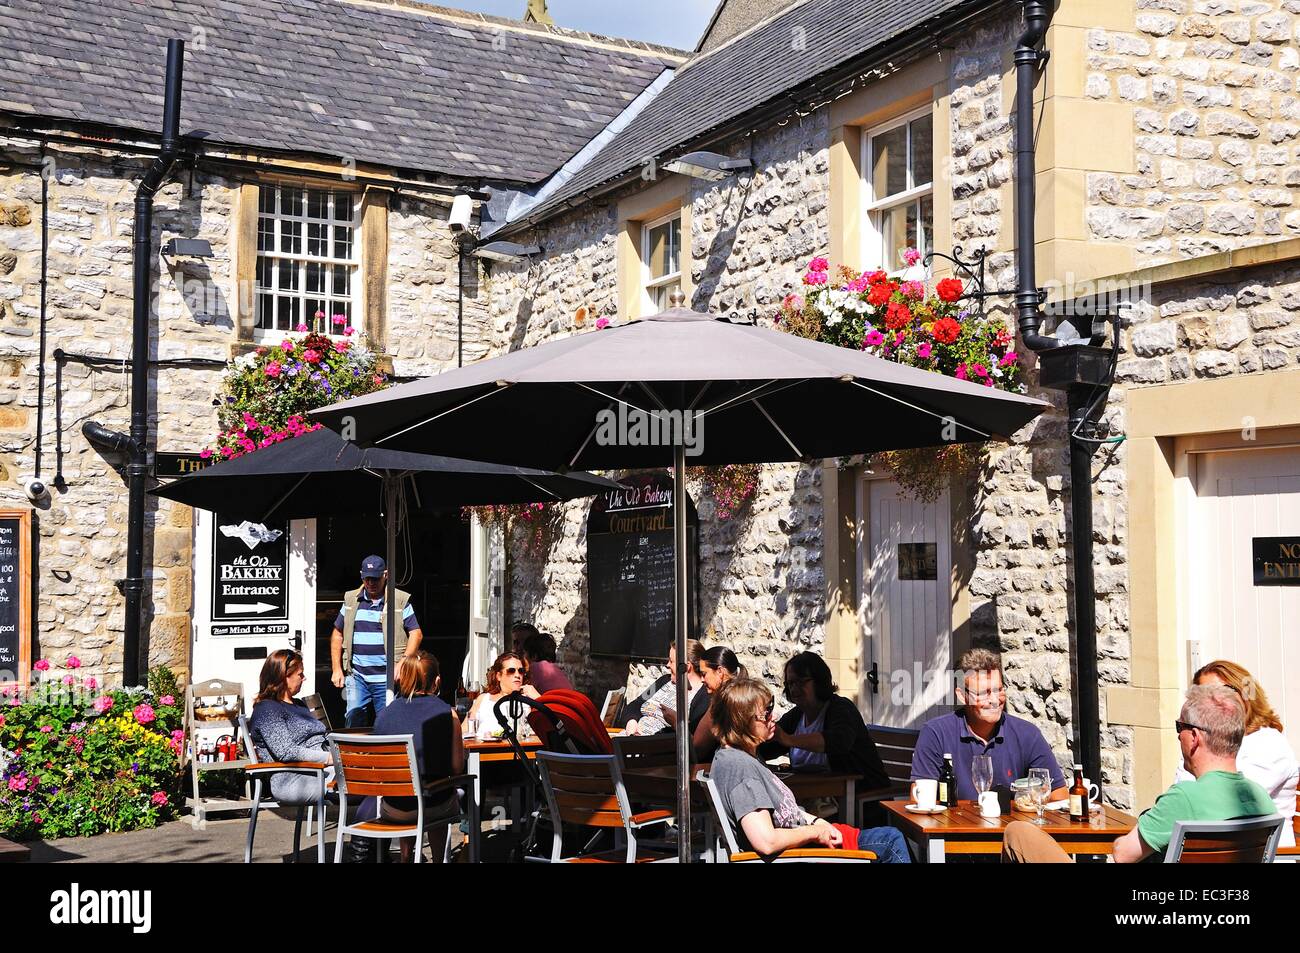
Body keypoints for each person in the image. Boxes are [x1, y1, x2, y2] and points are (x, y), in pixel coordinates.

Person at [1003, 685, 1277, 863]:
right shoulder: (1260, 798)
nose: (1178, 735)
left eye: (1179, 726)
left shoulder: (1185, 798)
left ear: (1194, 738)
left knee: (1018, 834)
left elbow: (1123, 854)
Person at [707, 678, 911, 862]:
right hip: (799, 856)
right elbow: (765, 841)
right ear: (741, 722)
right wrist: (815, 832)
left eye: (771, 707)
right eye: (766, 713)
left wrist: (817, 821)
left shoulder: (739, 756)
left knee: (889, 837)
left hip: (803, 845)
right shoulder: (740, 768)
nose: (774, 716)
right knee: (890, 841)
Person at [911, 648, 1066, 803]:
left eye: (999, 690)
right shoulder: (936, 733)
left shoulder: (1027, 734)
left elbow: (1059, 794)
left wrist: (1026, 802)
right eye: (983, 693)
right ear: (961, 695)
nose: (994, 700)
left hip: (1011, 825)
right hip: (953, 826)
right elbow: (918, 798)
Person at [1172, 660, 1297, 849]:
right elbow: (1181, 794)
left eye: (1223, 692)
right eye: (1203, 697)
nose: (1215, 702)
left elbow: (1223, 802)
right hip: (1209, 851)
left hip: (1261, 855)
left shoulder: (1270, 743)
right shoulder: (1201, 739)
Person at [367, 651, 465, 862]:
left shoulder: (384, 714)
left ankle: (405, 857)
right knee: (439, 791)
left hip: (392, 808)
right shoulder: (448, 714)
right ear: (437, 681)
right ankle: (439, 859)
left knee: (409, 788)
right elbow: (457, 767)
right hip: (432, 806)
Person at [759, 652, 891, 794]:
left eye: (801, 682)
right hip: (815, 798)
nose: (794, 689)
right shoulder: (796, 715)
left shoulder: (841, 709)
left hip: (859, 800)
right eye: (790, 683)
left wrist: (789, 739)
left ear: (819, 681)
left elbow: (838, 742)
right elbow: (769, 747)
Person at [330, 555, 424, 728]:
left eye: (375, 579)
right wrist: (336, 668)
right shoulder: (351, 599)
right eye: (367, 578)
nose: (371, 583)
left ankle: (385, 755)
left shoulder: (399, 600)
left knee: (388, 723)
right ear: (361, 576)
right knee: (353, 718)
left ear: (386, 575)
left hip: (387, 679)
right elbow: (337, 633)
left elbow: (416, 633)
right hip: (357, 675)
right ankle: (354, 754)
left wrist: (403, 661)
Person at [247, 649, 332, 803]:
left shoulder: (298, 704)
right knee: (367, 782)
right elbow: (286, 752)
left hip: (320, 771)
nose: (304, 678)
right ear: (284, 677)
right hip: (294, 781)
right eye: (300, 674)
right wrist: (330, 758)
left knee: (372, 776)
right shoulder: (267, 710)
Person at [626, 639, 707, 737]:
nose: (667, 665)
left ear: (687, 667)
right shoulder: (663, 681)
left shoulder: (703, 696)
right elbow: (635, 704)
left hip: (655, 747)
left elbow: (693, 735)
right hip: (629, 739)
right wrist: (632, 722)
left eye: (671, 661)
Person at [466, 652, 539, 738]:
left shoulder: (528, 700)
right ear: (499, 676)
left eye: (521, 671)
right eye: (511, 671)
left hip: (522, 749)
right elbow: (464, 730)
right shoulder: (483, 699)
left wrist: (538, 698)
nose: (517, 675)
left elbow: (552, 725)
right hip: (485, 749)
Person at [691, 646, 744, 763]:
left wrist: (676, 723)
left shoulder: (721, 703)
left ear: (720, 671)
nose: (702, 679)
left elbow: (696, 750)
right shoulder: (744, 695)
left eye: (704, 674)